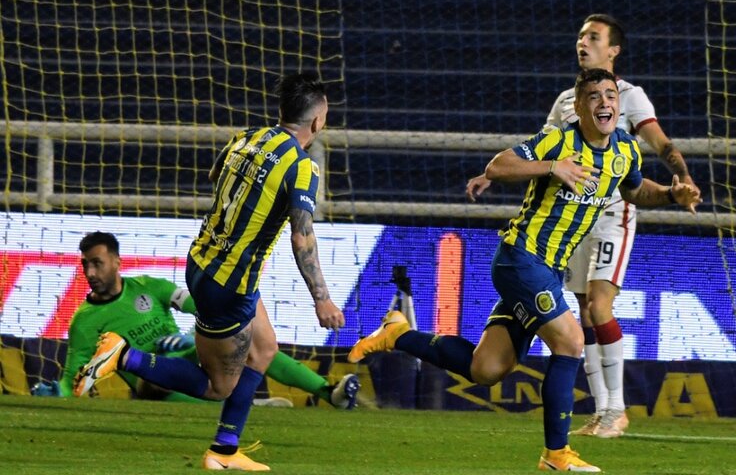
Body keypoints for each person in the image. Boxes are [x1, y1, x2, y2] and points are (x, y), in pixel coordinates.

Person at [349, 68, 701, 473]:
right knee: (570, 341)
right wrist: (553, 168)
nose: (604, 102)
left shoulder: (625, 150)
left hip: (548, 270)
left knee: (486, 368)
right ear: (580, 107)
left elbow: (635, 191)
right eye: (593, 96)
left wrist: (673, 194)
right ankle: (555, 455)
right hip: (520, 259)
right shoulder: (559, 140)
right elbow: (499, 166)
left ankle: (398, 334)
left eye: (610, 95)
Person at [73, 71, 346, 471]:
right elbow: (302, 238)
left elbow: (215, 176)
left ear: (281, 111)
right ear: (317, 121)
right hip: (229, 285)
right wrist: (321, 299)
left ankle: (225, 450)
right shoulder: (303, 169)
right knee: (218, 385)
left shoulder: (246, 137)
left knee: (264, 348)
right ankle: (125, 355)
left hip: (203, 259)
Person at [467, 13, 700, 438]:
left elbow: (660, 143)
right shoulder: (565, 101)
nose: (582, 42)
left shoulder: (631, 97)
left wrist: (679, 181)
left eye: (593, 37)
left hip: (612, 213)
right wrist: (493, 172)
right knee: (580, 316)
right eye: (579, 36)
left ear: (614, 49)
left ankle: (616, 409)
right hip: (569, 220)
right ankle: (601, 411)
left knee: (598, 306)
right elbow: (539, 152)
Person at [31, 230, 359, 412]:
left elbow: (202, 306)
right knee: (164, 386)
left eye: (97, 264)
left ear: (116, 262)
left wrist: (190, 337)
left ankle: (330, 393)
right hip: (155, 384)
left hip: (191, 358)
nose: (90, 273)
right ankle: (253, 405)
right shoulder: (84, 321)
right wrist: (55, 392)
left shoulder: (149, 287)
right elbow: (74, 378)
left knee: (253, 346)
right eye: (86, 265)